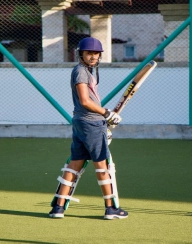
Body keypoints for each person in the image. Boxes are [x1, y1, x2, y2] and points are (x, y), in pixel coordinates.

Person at [49, 37, 128, 220]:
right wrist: (106, 113)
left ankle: (58, 208)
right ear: (81, 54)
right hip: (90, 123)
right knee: (102, 164)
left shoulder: (86, 71)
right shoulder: (81, 72)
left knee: (75, 163)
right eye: (89, 53)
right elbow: (85, 101)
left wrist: (103, 116)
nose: (93, 56)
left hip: (81, 122)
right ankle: (110, 209)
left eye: (96, 53)